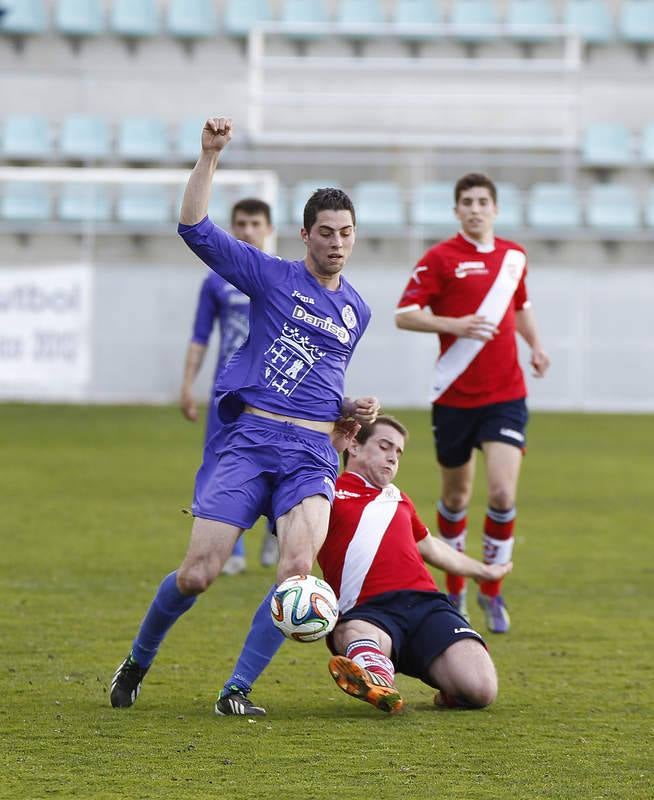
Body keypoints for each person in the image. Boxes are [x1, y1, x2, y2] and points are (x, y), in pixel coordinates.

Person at [110, 116, 378, 711]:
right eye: (327, 232)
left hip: (310, 454)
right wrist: (209, 156)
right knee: (199, 573)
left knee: (296, 574)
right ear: (305, 235)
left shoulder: (358, 312)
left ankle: (237, 689)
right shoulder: (270, 275)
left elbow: (322, 384)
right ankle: (138, 659)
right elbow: (195, 228)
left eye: (347, 233)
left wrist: (348, 408)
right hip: (251, 441)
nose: (337, 242)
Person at [215, 415, 510, 717]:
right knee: (356, 635)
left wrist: (484, 571)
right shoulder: (324, 493)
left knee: (482, 690)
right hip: (367, 612)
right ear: (354, 446)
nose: (393, 457)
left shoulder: (399, 499)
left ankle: (448, 687)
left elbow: (431, 547)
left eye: (398, 452)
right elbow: (294, 520)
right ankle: (378, 681)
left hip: (427, 607)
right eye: (385, 446)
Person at [395, 173, 550, 634]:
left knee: (502, 493)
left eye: (483, 201)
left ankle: (493, 591)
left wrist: (536, 345)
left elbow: (520, 306)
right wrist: (454, 324)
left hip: (506, 395)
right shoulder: (440, 259)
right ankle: (456, 589)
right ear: (457, 210)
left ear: (495, 209)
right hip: (454, 398)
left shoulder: (514, 257)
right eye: (467, 201)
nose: (476, 208)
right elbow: (405, 315)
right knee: (456, 497)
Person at [180, 197, 278, 575]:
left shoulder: (285, 276)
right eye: (241, 224)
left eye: (255, 224)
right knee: (222, 466)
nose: (248, 231)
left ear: (269, 228)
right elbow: (200, 336)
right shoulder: (215, 281)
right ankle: (232, 552)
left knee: (275, 463)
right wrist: (187, 384)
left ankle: (274, 528)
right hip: (227, 393)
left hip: (274, 392)